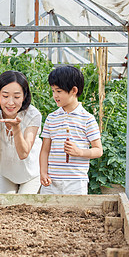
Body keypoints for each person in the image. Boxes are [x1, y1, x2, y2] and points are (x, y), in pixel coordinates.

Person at [40, 65, 103, 195]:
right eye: (53, 91)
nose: (55, 95)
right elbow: (45, 149)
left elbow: (98, 150)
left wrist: (79, 152)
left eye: (59, 91)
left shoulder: (87, 119)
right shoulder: (51, 118)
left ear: (74, 90)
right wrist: (43, 172)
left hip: (76, 182)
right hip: (52, 181)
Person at [0, 71, 42, 194]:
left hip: (31, 174)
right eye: (5, 96)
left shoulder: (33, 114)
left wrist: (16, 127)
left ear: (24, 96)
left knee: (23, 205)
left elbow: (23, 153)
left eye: (16, 97)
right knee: (7, 206)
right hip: (5, 172)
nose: (10, 102)